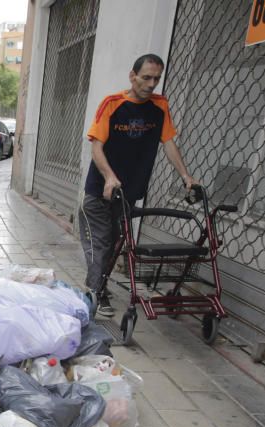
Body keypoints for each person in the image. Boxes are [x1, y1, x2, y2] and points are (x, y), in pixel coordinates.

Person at [80, 53, 198, 317]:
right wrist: (109, 175)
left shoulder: (159, 107)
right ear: (132, 76)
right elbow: (96, 148)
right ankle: (97, 292)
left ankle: (99, 285)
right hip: (101, 190)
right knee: (100, 243)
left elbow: (168, 143)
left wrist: (185, 176)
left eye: (156, 78)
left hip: (128, 193)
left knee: (115, 242)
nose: (151, 84)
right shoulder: (112, 104)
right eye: (146, 78)